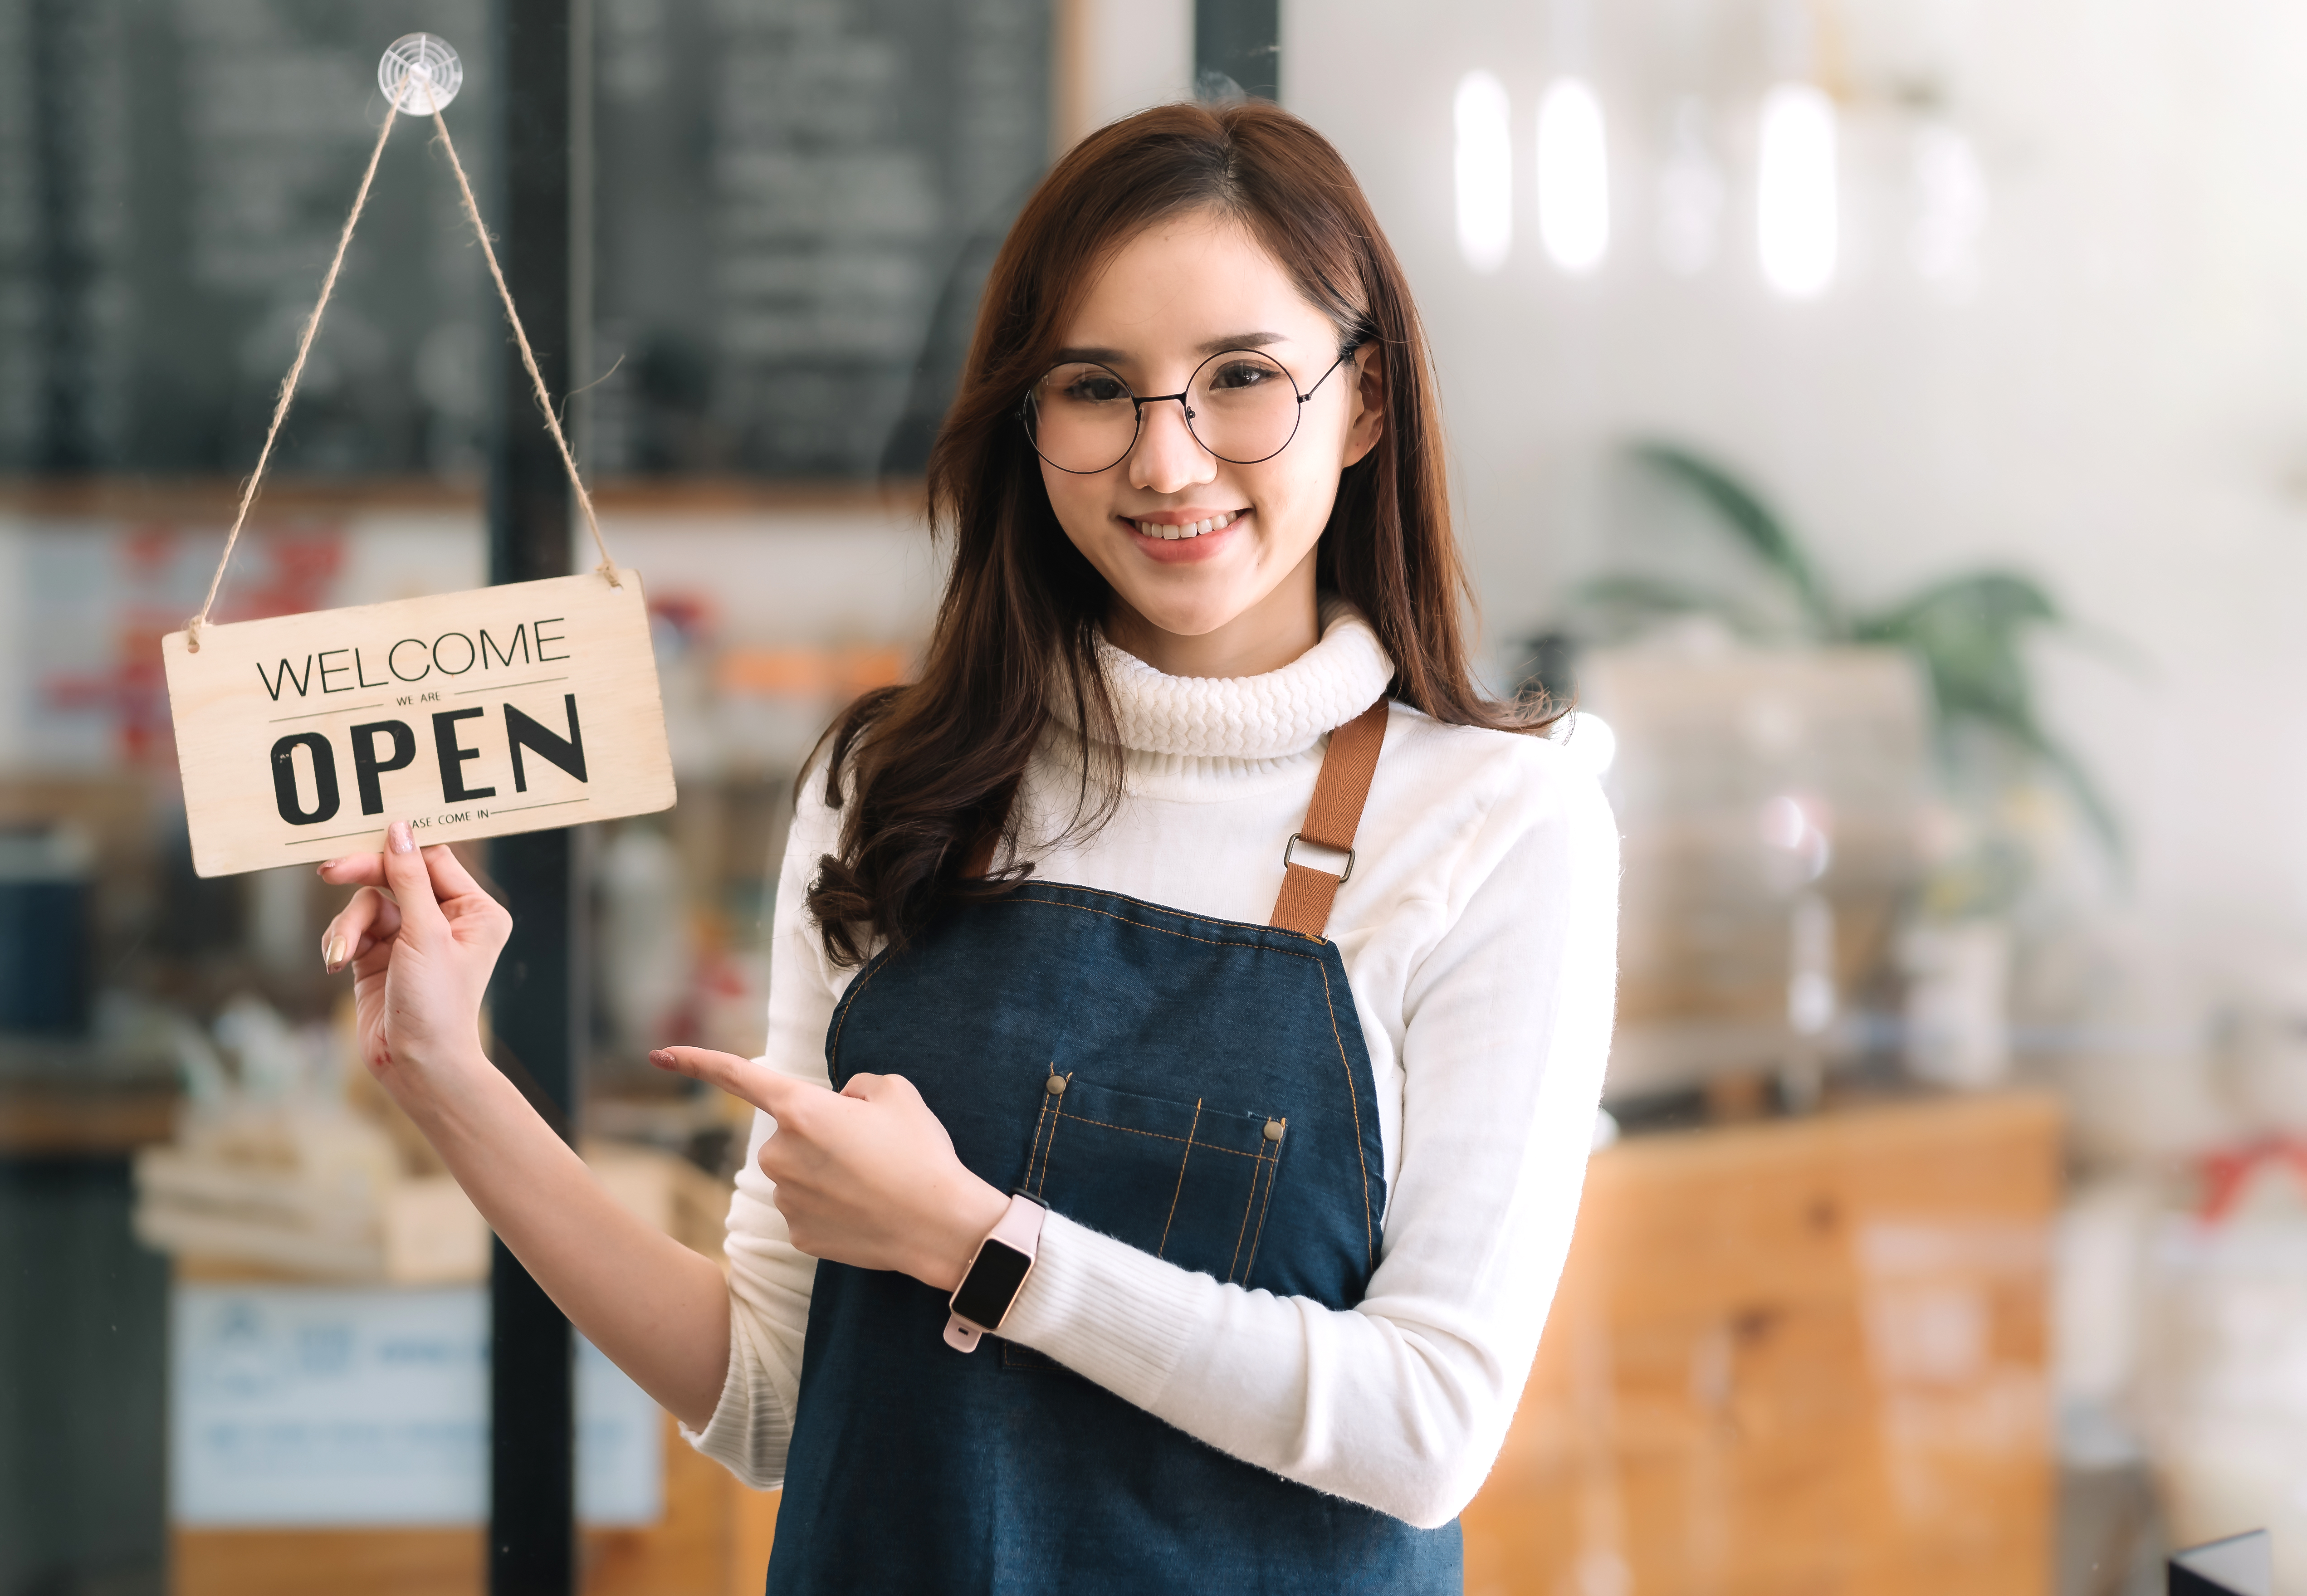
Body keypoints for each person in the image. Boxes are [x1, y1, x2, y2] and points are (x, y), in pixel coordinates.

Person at [316, 98, 1618, 1594]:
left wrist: (977, 1246)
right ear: (1028, 419)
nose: (1170, 462)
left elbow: (1428, 1427)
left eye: (1241, 379)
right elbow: (769, 1399)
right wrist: (448, 1077)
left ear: (1366, 401)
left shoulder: (1497, 824)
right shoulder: (900, 782)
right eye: (1097, 389)